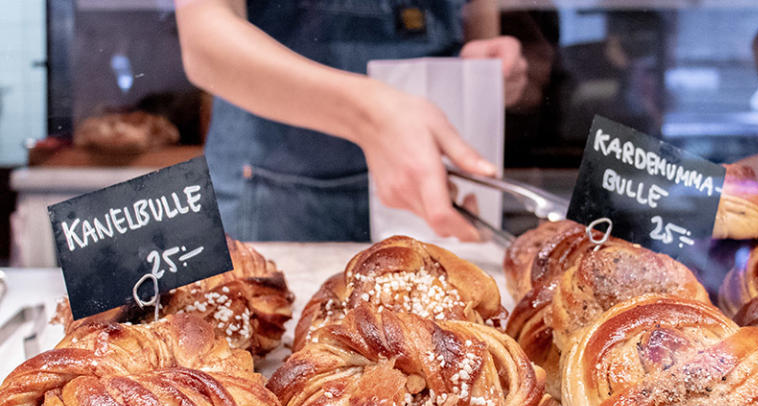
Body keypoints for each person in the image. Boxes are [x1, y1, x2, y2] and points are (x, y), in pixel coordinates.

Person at [174, 0, 528, 242]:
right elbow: (205, 42)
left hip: (431, 181)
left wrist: (485, 72)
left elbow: (477, 28)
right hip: (272, 192)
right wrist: (369, 116)